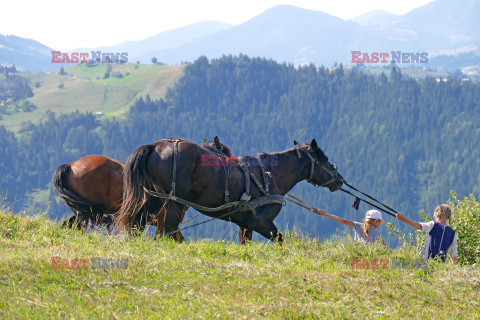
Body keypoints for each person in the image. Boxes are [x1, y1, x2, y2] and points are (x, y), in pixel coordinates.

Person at [317, 208, 386, 245]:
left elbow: (343, 221)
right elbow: (384, 247)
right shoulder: (377, 233)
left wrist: (326, 214)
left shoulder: (358, 225)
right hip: (367, 259)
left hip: (355, 257)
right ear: (377, 221)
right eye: (380, 222)